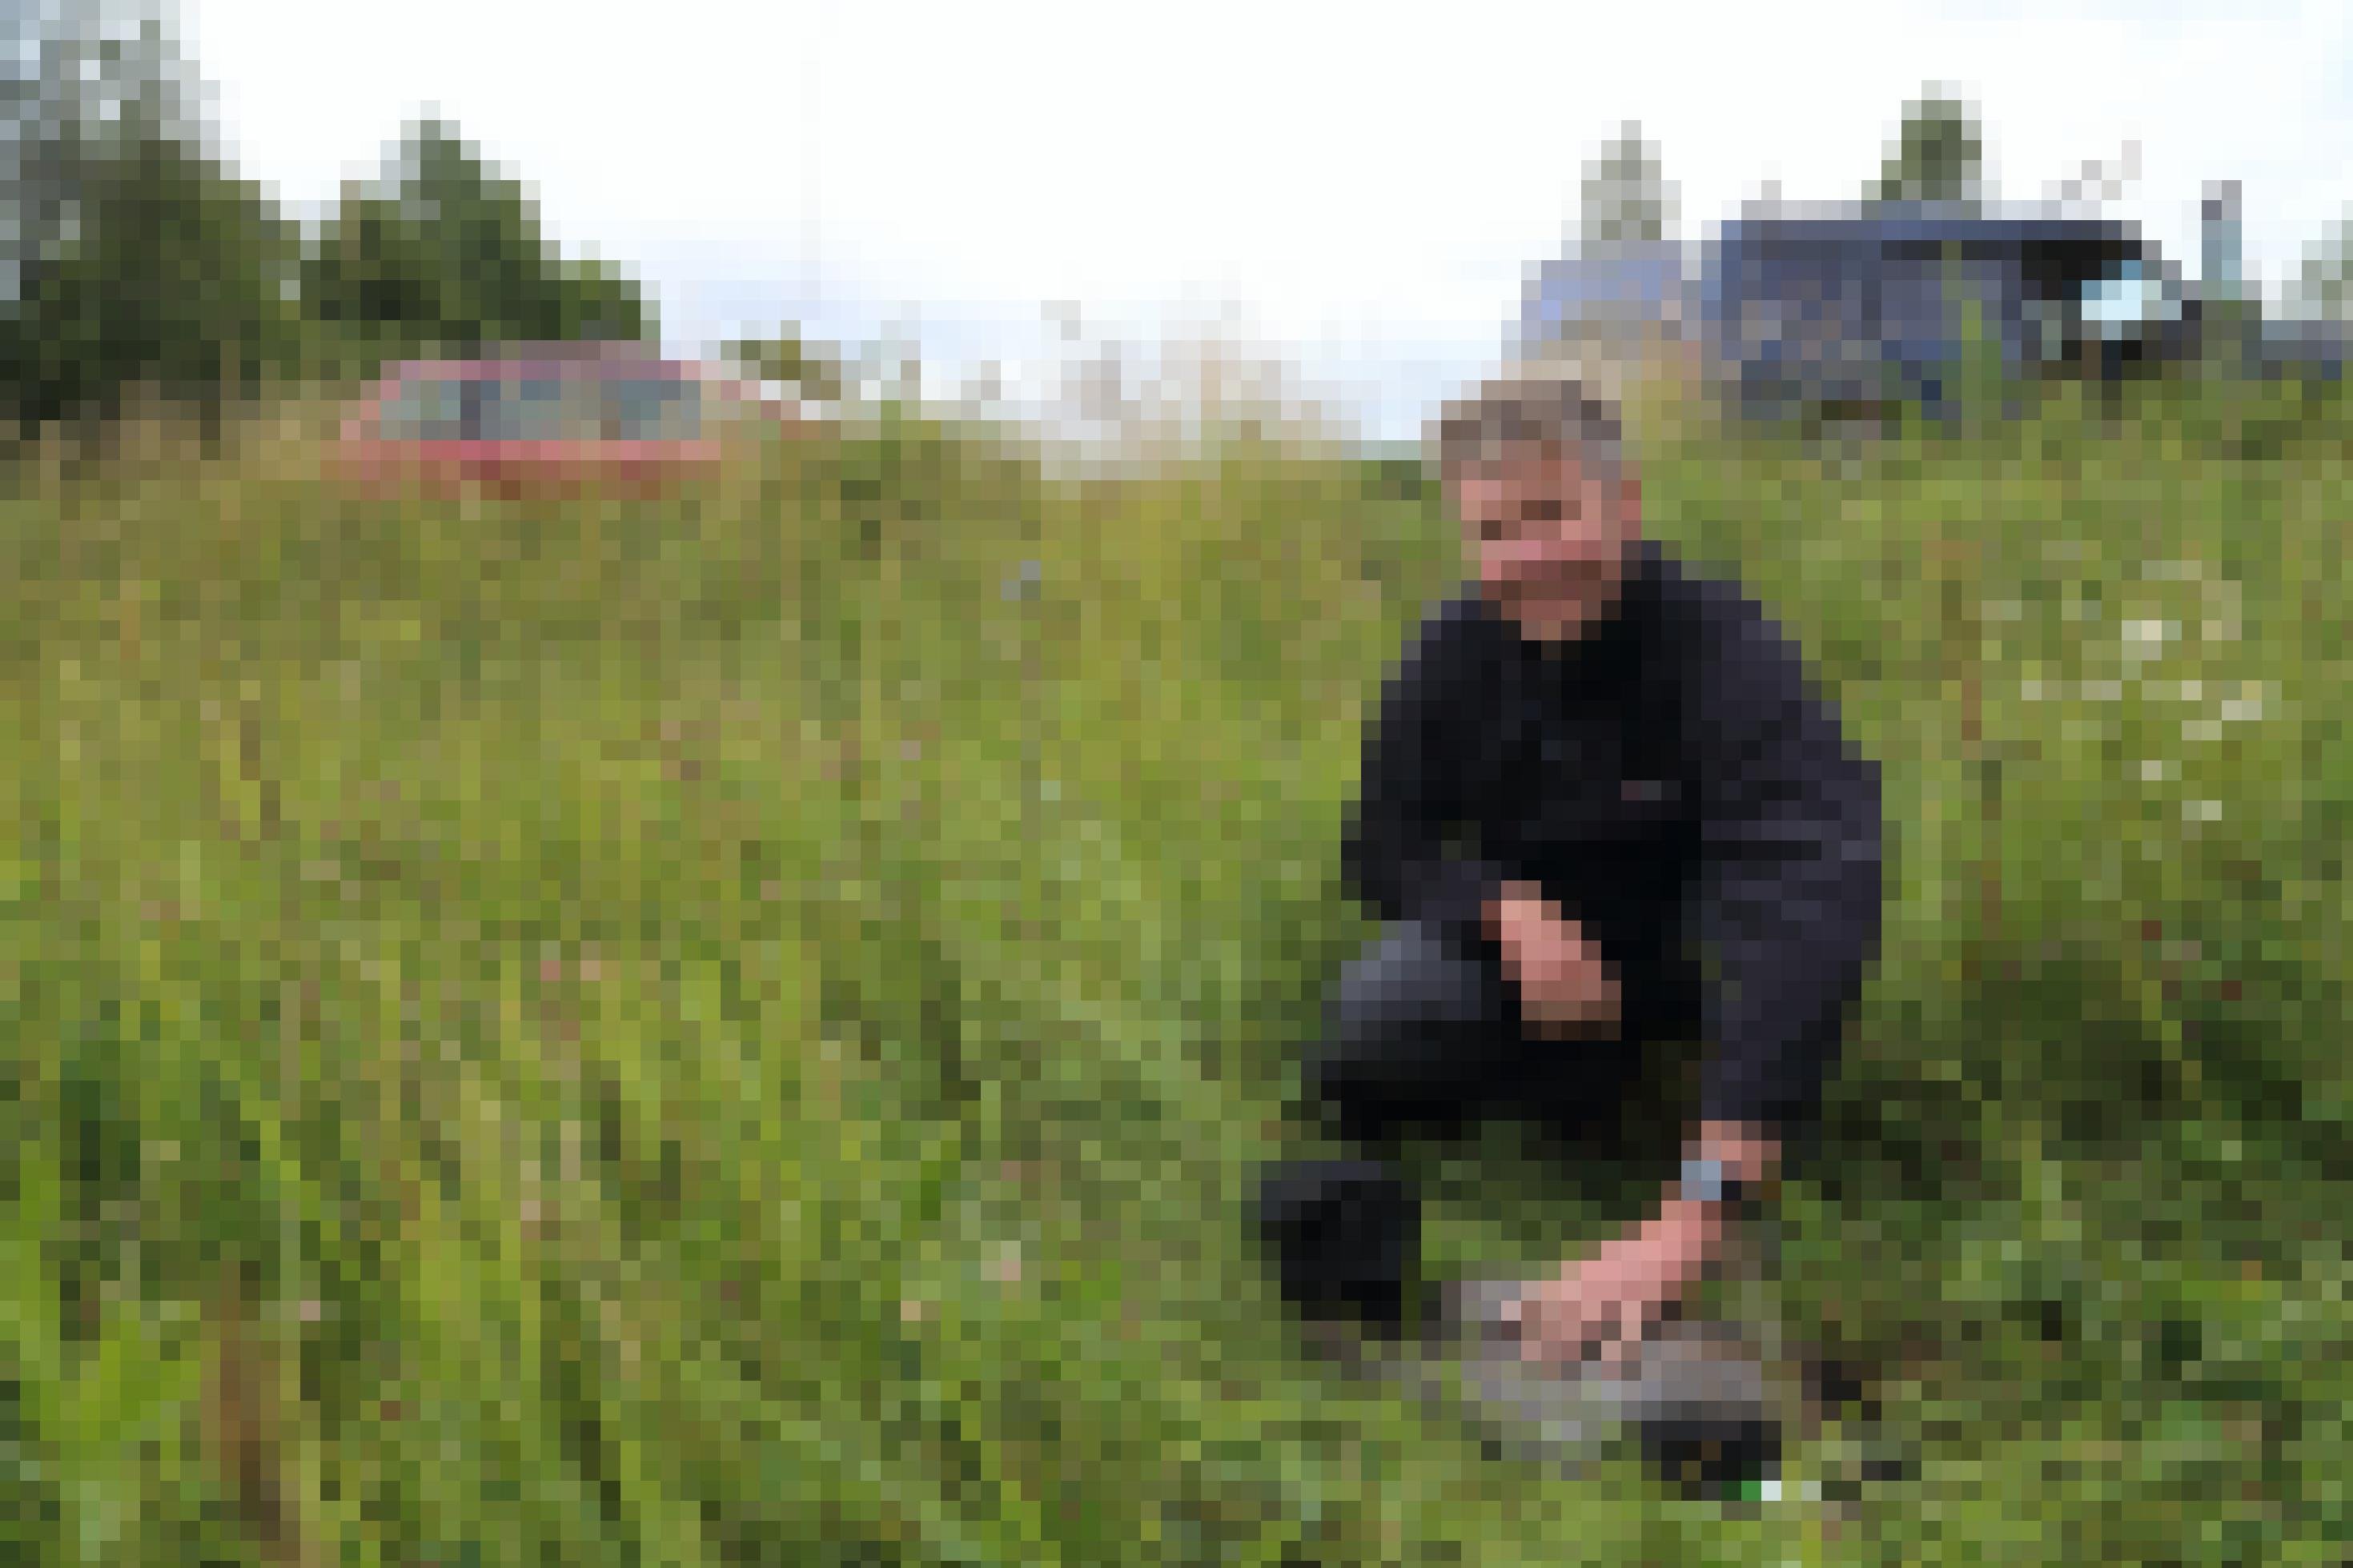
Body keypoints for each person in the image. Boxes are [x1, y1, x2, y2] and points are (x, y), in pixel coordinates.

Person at [1254, 374, 1883, 1383]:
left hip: (1686, 953)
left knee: (1780, 962)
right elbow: (1378, 844)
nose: (1530, 558)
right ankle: (1565, 1100)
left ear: (1621, 505)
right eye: (1496, 532)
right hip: (1537, 953)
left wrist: (1695, 1214)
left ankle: (1704, 1121)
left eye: (1553, 515)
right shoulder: (1451, 650)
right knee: (1376, 1017)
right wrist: (1501, 909)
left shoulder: (1719, 645)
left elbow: (1816, 869)